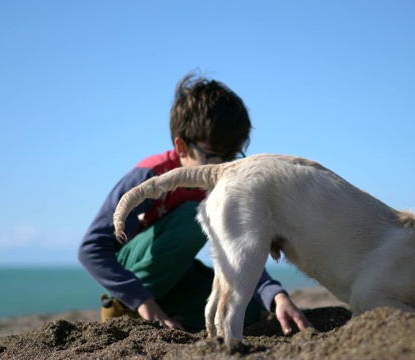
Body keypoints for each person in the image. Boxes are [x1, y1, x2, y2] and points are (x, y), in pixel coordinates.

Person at [78, 73, 312, 335]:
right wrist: (143, 303)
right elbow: (91, 248)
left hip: (179, 279)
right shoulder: (149, 177)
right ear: (181, 147)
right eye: (213, 157)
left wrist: (275, 295)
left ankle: (172, 316)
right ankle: (126, 310)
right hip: (134, 280)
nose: (224, 168)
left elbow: (239, 249)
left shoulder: (219, 185)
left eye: (232, 159)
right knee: (194, 215)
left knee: (250, 311)